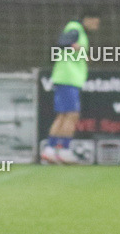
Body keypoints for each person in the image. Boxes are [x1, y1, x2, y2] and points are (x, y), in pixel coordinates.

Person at [41, 9, 100, 164]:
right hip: (68, 77)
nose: (96, 26)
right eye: (95, 22)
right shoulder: (75, 28)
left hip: (68, 78)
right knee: (71, 115)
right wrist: (75, 47)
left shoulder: (79, 31)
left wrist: (83, 55)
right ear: (88, 19)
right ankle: (63, 149)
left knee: (63, 115)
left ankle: (51, 150)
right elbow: (63, 43)